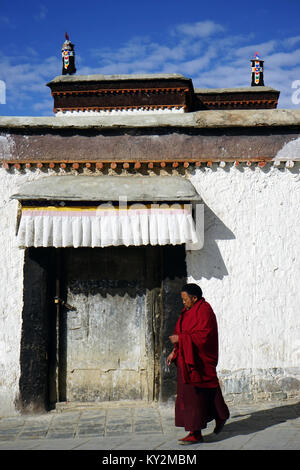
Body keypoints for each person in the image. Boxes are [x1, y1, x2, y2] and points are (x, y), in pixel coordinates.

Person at [167, 283, 229, 445]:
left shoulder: (204, 311)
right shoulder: (188, 311)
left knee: (195, 395)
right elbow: (182, 331)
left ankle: (196, 433)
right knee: (202, 392)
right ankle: (221, 414)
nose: (183, 302)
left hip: (199, 360)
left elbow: (204, 336)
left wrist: (181, 339)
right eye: (182, 299)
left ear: (194, 298)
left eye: (185, 299)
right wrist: (175, 350)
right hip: (187, 358)